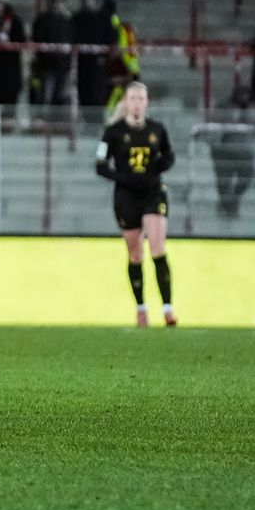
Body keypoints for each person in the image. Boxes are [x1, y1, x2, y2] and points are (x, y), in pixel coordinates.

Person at [94, 82, 176, 328]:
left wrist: (157, 169)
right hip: (126, 196)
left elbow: (169, 155)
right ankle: (141, 308)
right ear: (126, 102)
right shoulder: (113, 132)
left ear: (146, 102)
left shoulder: (157, 129)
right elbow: (100, 164)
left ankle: (168, 308)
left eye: (141, 98)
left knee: (157, 247)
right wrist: (124, 178)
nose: (137, 102)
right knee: (135, 253)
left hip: (153, 192)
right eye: (133, 98)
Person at [211, 85, 255, 219]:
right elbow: (215, 123)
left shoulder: (254, 108)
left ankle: (233, 200)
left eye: (246, 94)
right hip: (225, 149)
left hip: (246, 151)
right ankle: (228, 207)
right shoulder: (224, 107)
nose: (243, 97)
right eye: (240, 94)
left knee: (246, 178)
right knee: (224, 181)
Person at [30, 0, 73, 109]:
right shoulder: (41, 20)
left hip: (63, 66)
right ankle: (43, 122)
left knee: (60, 98)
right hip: (46, 66)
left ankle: (56, 125)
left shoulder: (67, 21)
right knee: (44, 97)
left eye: (59, 1)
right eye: (53, 1)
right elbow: (37, 39)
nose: (56, 4)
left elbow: (71, 40)